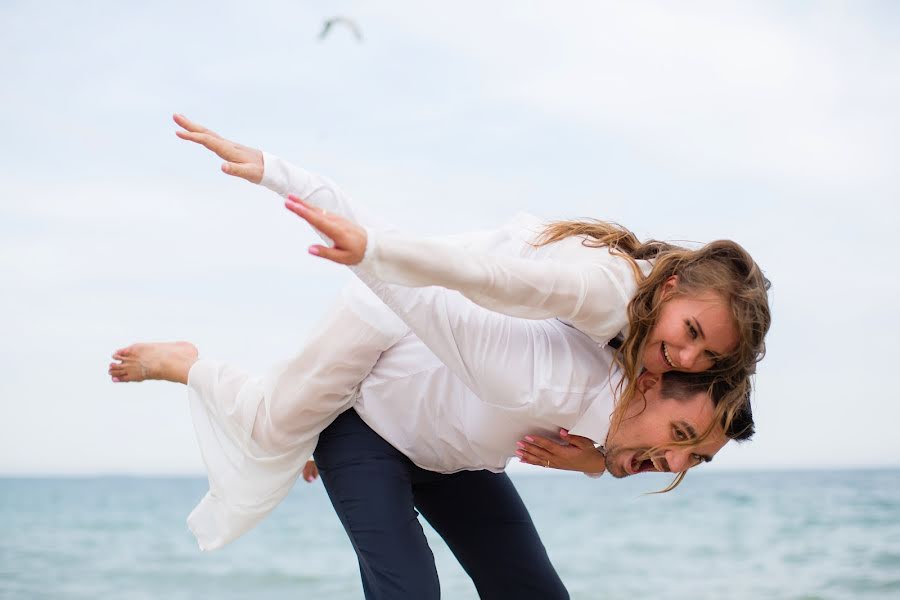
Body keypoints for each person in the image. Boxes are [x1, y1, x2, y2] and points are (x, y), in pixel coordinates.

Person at [109, 115, 769, 547]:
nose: (684, 356)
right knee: (270, 428)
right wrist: (349, 230)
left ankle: (340, 427)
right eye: (688, 334)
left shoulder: (656, 360)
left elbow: (652, 431)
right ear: (672, 286)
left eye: (705, 356)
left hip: (439, 343)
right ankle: (187, 364)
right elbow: (484, 279)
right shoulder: (604, 292)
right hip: (396, 302)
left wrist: (602, 463)